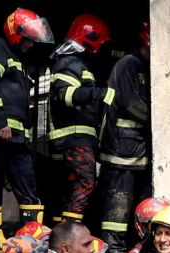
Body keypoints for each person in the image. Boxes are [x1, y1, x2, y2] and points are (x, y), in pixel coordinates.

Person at [0, 8, 54, 253]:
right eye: (28, 39)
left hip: (17, 136)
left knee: (28, 185)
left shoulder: (17, 58)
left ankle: (32, 241)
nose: (31, 44)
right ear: (16, 33)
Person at [49, 15, 112, 224]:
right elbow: (65, 96)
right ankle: (71, 230)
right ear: (90, 37)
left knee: (71, 186)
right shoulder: (69, 63)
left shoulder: (78, 64)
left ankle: (63, 232)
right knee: (86, 182)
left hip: (79, 138)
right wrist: (99, 93)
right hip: (73, 137)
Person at [99, 22, 153, 253]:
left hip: (136, 147)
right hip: (121, 147)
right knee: (119, 196)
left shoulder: (143, 65)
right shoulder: (127, 65)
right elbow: (129, 103)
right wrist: (158, 118)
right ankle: (113, 246)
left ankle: (132, 244)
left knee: (137, 197)